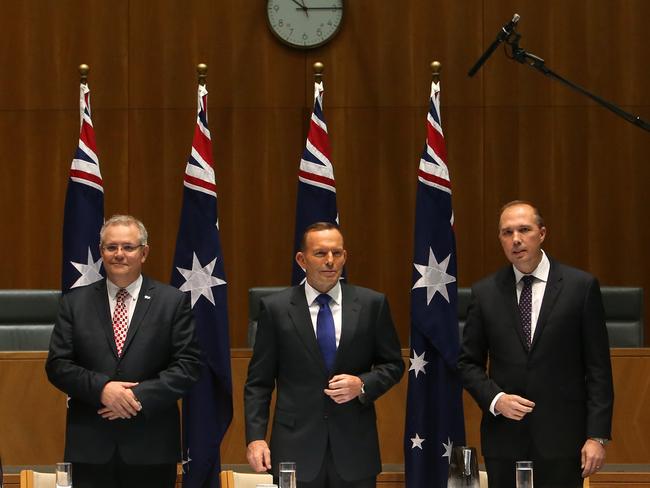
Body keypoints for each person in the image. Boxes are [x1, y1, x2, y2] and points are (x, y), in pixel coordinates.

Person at [458, 201, 614, 488]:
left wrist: (597, 436)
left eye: (524, 230)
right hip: (505, 439)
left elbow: (598, 368)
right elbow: (468, 363)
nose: (515, 239)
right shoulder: (485, 293)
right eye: (507, 232)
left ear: (542, 233)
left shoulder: (580, 287)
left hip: (563, 441)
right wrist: (496, 400)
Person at [244, 222, 404, 488]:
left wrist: (363, 384)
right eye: (320, 253)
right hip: (295, 448)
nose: (330, 261)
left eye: (337, 253)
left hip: (355, 448)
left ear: (345, 256)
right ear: (301, 259)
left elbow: (393, 364)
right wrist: (256, 438)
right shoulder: (275, 309)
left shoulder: (371, 304)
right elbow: (258, 382)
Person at [46, 215, 202, 488]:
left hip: (151, 447)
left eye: (128, 247)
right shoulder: (74, 303)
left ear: (144, 253)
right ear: (101, 251)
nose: (119, 254)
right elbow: (58, 365)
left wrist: (135, 397)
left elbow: (187, 366)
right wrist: (103, 390)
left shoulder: (172, 302)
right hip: (90, 448)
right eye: (111, 247)